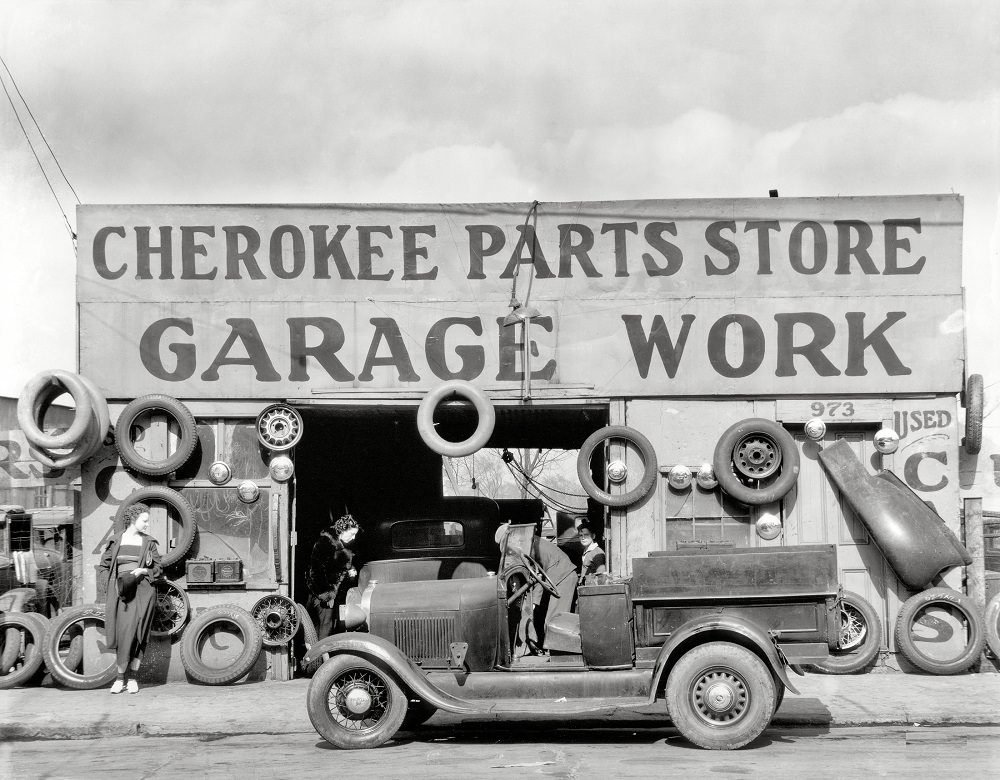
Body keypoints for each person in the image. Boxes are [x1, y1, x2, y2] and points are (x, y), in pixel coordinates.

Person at [98, 501, 162, 694]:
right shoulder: (115, 540)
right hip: (122, 594)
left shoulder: (149, 543)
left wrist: (144, 570)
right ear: (133, 519)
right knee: (124, 634)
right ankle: (119, 679)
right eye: (144, 520)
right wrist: (111, 587)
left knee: (139, 634)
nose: (147, 525)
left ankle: (132, 678)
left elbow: (158, 568)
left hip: (143, 593)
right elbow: (103, 566)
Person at [496, 523, 576, 652]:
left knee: (554, 620)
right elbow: (537, 575)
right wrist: (534, 602)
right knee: (547, 617)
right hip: (555, 576)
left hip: (563, 577)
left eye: (507, 543)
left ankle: (559, 655)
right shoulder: (527, 544)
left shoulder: (529, 545)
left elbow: (538, 575)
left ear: (511, 538)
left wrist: (534, 602)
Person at [306, 513, 359, 639]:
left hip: (332, 594)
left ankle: (322, 656)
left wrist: (351, 569)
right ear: (343, 530)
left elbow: (338, 566)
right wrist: (326, 594)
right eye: (352, 534)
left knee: (328, 626)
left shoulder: (342, 545)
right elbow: (316, 571)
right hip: (322, 595)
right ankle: (321, 656)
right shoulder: (325, 542)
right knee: (324, 627)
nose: (353, 538)